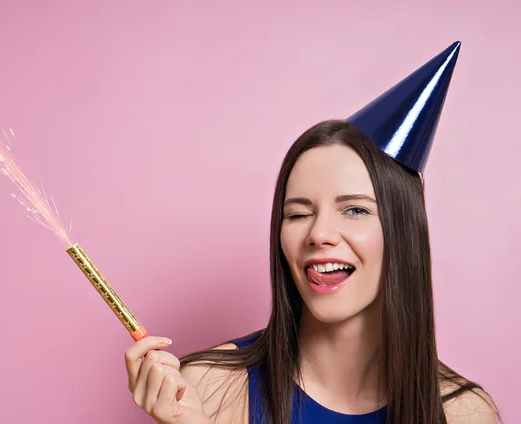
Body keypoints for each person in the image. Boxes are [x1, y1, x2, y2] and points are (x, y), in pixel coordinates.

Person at [124, 41, 500, 424]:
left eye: (355, 210)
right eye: (298, 214)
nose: (319, 234)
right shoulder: (209, 389)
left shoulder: (463, 413)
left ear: (403, 231)